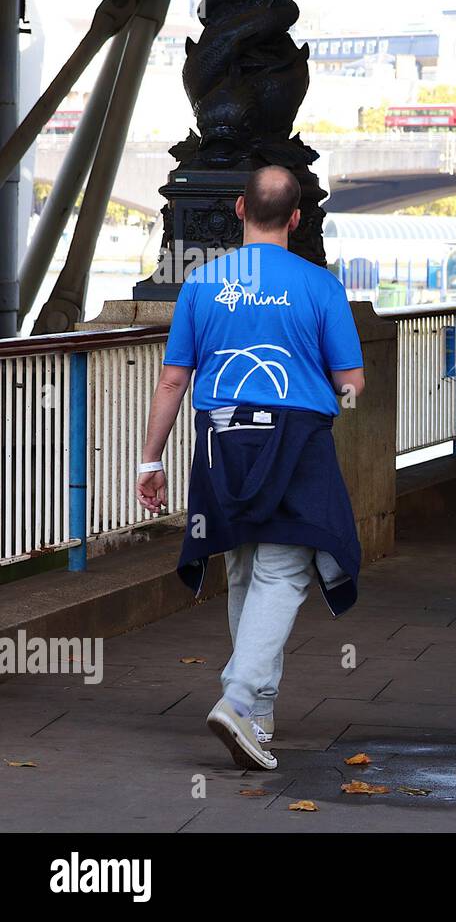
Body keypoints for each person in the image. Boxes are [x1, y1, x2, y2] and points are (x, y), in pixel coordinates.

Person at [136, 166, 366, 770]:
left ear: (240, 209)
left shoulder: (201, 284)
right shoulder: (320, 286)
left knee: (241, 566)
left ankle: (257, 717)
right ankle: (238, 699)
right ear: (296, 218)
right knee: (285, 569)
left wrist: (150, 459)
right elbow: (351, 382)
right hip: (295, 439)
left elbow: (172, 380)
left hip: (221, 438)